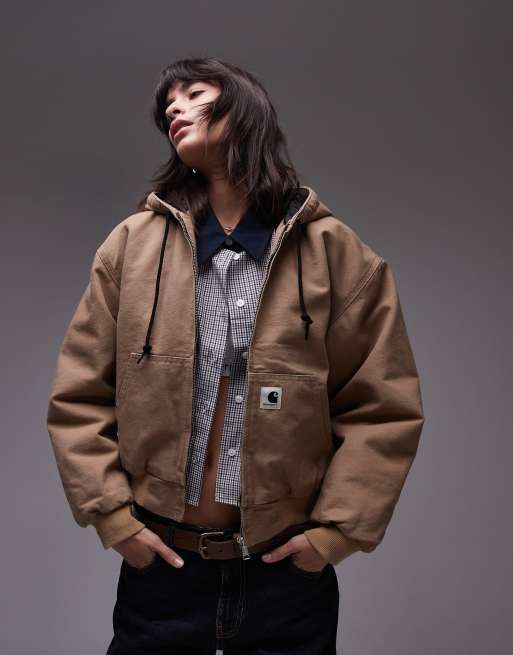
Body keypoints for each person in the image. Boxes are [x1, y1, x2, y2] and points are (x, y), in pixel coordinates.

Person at [46, 57, 425, 654]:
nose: (175, 108)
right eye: (168, 105)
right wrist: (113, 519)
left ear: (245, 108)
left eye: (195, 93)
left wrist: (334, 535)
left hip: (287, 578)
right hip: (163, 572)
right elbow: (79, 395)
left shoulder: (334, 252)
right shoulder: (131, 247)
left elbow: (383, 407)